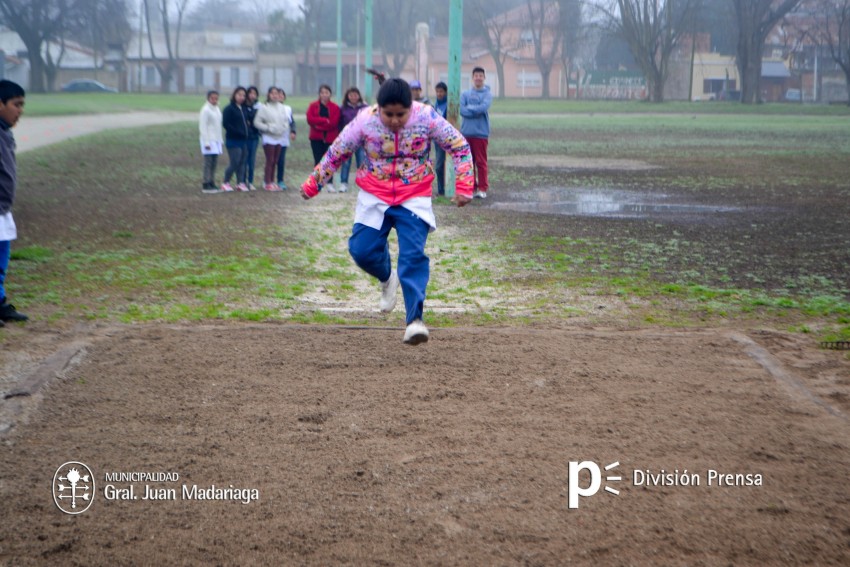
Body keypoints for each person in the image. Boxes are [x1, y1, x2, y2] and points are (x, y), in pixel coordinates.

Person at [300, 78, 474, 345]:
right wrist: (314, 183)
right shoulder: (364, 121)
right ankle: (387, 278)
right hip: (374, 193)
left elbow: (459, 146)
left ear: (410, 108)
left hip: (413, 194)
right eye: (388, 114)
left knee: (412, 256)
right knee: (361, 250)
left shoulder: (426, 117)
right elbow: (337, 152)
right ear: (378, 108)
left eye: (400, 115)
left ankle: (415, 320)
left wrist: (464, 185)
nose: (394, 121)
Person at [0, 79, 29, 325]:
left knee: (2, 259)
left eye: (22, 105)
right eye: (15, 104)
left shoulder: (4, 133)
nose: (19, 110)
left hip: (3, 209)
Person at [460, 67, 492, 199]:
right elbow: (462, 110)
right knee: (468, 162)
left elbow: (483, 108)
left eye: (481, 75)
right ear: (472, 77)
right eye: (476, 75)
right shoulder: (465, 94)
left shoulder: (487, 94)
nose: (478, 78)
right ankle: (471, 187)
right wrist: (474, 109)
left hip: (481, 134)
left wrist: (471, 108)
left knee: (481, 162)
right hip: (466, 133)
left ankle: (483, 188)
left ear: (484, 77)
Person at [254, 87, 294, 191]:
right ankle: (267, 182)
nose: (274, 95)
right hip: (269, 137)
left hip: (279, 137)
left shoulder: (281, 107)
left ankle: (272, 181)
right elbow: (257, 122)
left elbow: (286, 120)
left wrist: (283, 128)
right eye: (272, 93)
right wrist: (268, 128)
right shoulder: (264, 108)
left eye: (276, 93)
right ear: (268, 95)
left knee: (276, 160)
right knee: (270, 160)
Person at [306, 84, 341, 192]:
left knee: (329, 161)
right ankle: (317, 183)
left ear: (330, 94)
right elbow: (310, 119)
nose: (324, 95)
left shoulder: (335, 107)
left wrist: (320, 123)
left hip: (330, 138)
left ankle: (329, 183)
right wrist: (324, 121)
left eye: (326, 92)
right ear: (319, 94)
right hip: (316, 137)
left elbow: (334, 122)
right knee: (318, 161)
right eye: (322, 93)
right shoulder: (313, 106)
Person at [338, 86, 368, 193]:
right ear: (347, 97)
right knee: (345, 162)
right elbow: (339, 123)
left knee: (362, 162)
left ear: (359, 96)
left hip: (361, 140)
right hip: (348, 140)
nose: (353, 97)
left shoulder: (365, 108)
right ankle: (343, 183)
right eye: (351, 95)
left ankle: (363, 184)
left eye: (355, 95)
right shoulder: (343, 108)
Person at [221, 86, 250, 192]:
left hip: (243, 140)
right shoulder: (229, 109)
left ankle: (240, 183)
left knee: (242, 162)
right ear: (234, 95)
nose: (241, 97)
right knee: (235, 162)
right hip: (233, 140)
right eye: (239, 95)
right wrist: (238, 132)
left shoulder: (244, 108)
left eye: (243, 95)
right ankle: (225, 182)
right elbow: (226, 124)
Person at [199, 90, 223, 194]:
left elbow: (218, 126)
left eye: (216, 98)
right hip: (208, 139)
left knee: (214, 162)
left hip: (216, 140)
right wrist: (206, 142)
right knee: (208, 162)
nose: (214, 100)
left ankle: (212, 182)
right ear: (208, 98)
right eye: (212, 98)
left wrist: (220, 140)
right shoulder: (205, 110)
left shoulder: (217, 109)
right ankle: (206, 183)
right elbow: (203, 127)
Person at [274, 88, 296, 190]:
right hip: (272, 138)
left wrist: (293, 131)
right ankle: (269, 180)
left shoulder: (288, 108)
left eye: (282, 95)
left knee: (281, 160)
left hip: (283, 139)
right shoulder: (269, 107)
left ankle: (280, 180)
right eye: (277, 94)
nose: (280, 96)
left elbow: (292, 122)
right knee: (272, 160)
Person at [431, 81, 448, 196]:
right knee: (439, 165)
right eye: (437, 91)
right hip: (437, 139)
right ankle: (441, 189)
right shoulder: (436, 104)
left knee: (439, 165)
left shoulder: (448, 104)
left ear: (445, 92)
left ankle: (443, 189)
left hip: (445, 138)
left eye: (441, 91)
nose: (439, 93)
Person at [244, 86, 261, 191]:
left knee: (251, 160)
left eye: (254, 93)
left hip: (254, 137)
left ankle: (250, 181)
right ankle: (241, 181)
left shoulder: (259, 106)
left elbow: (257, 121)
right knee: (243, 160)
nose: (252, 95)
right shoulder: (243, 106)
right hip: (244, 137)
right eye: (250, 93)